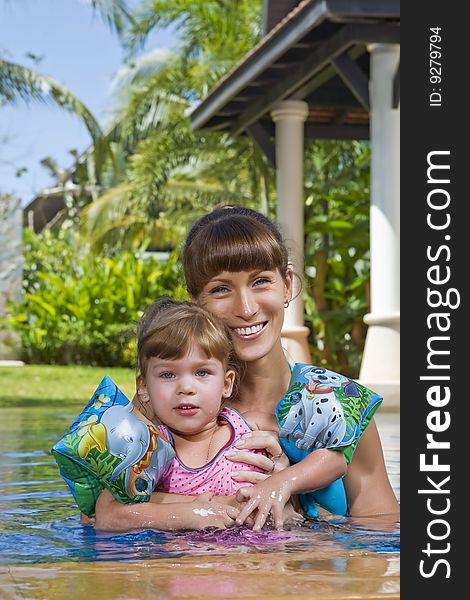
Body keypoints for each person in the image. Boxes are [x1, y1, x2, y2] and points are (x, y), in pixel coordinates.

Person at [95, 205, 399, 531]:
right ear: (194, 302)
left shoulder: (339, 406)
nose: (247, 308)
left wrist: (299, 497)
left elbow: (380, 532)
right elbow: (98, 514)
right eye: (221, 289)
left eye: (261, 282)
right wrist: (206, 506)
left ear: (287, 285)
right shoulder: (167, 405)